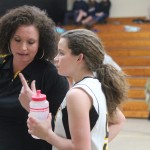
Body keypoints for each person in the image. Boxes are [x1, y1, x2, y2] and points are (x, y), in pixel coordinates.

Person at [26, 29, 128, 150]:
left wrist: (47, 135)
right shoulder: (97, 85)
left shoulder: (77, 94)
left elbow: (80, 148)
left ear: (79, 58)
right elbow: (119, 121)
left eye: (61, 53)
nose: (56, 58)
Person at [0, 5, 69, 150]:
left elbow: (63, 128)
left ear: (40, 44)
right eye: (17, 40)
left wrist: (35, 109)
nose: (23, 47)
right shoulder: (2, 66)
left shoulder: (52, 76)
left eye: (30, 42)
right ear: (8, 38)